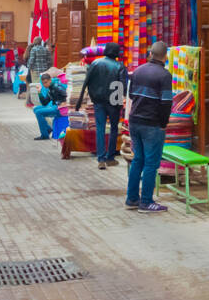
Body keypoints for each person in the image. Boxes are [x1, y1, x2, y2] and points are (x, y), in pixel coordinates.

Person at [125, 42, 173, 213]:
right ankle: (146, 201)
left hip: (134, 121)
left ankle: (131, 199)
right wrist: (163, 124)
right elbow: (166, 103)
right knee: (151, 163)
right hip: (152, 124)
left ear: (151, 54)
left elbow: (131, 95)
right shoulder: (164, 75)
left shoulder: (138, 71)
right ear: (165, 56)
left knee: (138, 159)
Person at [75, 42, 128, 170]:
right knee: (114, 128)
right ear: (116, 53)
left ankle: (101, 159)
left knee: (100, 128)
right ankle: (110, 158)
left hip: (98, 101)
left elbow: (87, 82)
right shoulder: (119, 66)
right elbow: (122, 86)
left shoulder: (95, 63)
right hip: (113, 101)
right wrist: (120, 103)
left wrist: (81, 100)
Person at [32, 71, 67, 141]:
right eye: (43, 83)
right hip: (55, 107)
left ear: (50, 80)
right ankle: (48, 128)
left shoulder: (57, 86)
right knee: (35, 109)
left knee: (39, 112)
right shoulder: (50, 89)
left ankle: (45, 135)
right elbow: (44, 103)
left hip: (60, 109)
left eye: (46, 82)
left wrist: (64, 103)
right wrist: (39, 92)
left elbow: (66, 94)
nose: (45, 84)